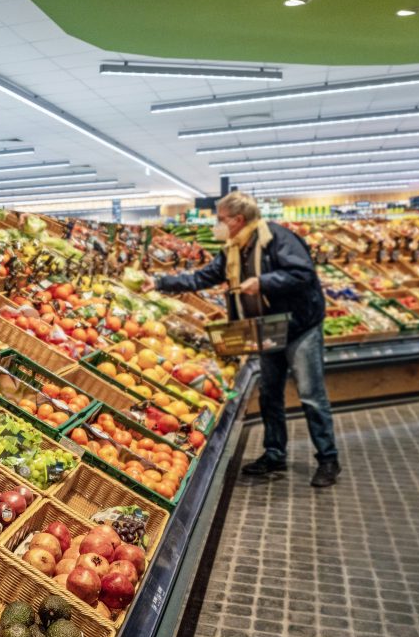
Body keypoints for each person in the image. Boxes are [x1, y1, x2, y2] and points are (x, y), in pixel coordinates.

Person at [145, 192, 341, 487]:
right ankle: (274, 454)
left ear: (238, 219)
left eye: (221, 219)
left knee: (311, 393)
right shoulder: (234, 249)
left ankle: (328, 459)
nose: (217, 224)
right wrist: (160, 282)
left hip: (300, 327)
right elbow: (203, 277)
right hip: (266, 328)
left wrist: (263, 282)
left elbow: (303, 274)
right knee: (269, 394)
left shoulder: (277, 239)